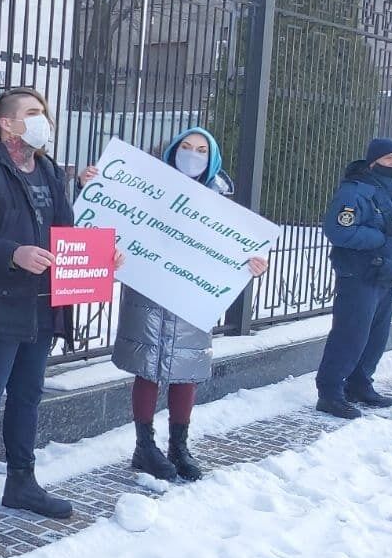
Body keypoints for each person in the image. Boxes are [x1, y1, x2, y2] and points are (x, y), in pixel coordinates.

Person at [0, 88, 122, 545]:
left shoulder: (46, 169)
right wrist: (13, 253)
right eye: (32, 113)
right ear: (7, 123)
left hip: (41, 305)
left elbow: (65, 230)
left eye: (43, 112)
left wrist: (100, 257)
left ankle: (21, 482)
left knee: (27, 397)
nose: (42, 120)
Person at [102, 128, 268, 481]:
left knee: (186, 369)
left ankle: (179, 445)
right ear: (174, 151)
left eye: (202, 150)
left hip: (193, 296)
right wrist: (93, 184)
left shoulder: (220, 202)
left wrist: (251, 262)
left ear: (213, 159)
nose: (193, 154)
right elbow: (113, 216)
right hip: (149, 290)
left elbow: (233, 247)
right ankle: (144, 445)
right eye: (187, 147)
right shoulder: (147, 189)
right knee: (146, 366)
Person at [314, 137, 392, 419]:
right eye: (390, 158)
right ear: (374, 161)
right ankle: (330, 393)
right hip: (359, 274)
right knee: (350, 335)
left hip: (386, 275)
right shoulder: (355, 192)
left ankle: (359, 383)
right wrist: (379, 238)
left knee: (376, 337)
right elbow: (338, 230)